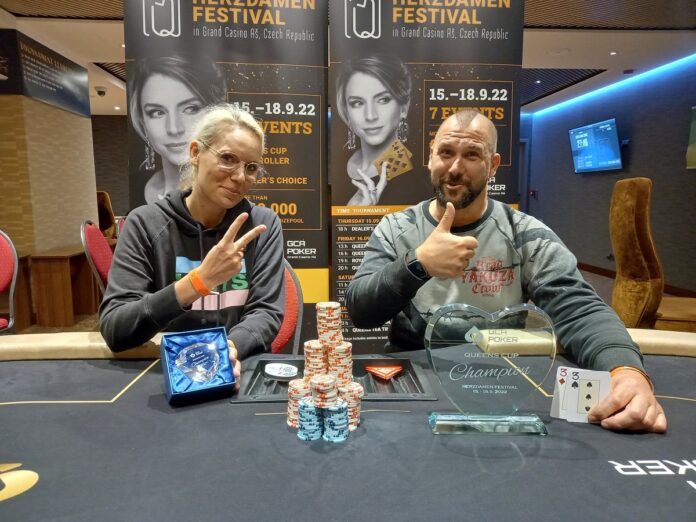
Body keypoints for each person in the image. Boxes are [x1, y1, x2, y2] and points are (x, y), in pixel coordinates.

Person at [346, 109, 667, 433]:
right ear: (431, 157)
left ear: (493, 165)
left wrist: (625, 370)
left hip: (499, 384)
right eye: (446, 152)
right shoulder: (396, 228)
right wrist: (418, 264)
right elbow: (360, 310)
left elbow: (578, 308)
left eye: (472, 155)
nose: (455, 167)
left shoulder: (525, 233)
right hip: (415, 380)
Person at [101, 104, 285, 384]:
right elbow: (116, 329)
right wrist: (199, 282)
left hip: (237, 369)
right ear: (196, 152)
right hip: (167, 375)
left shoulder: (262, 224)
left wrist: (223, 354)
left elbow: (266, 313)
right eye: (227, 158)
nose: (239, 177)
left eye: (250, 167)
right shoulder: (145, 223)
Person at [128, 54, 226, 204]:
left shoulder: (229, 192)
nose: (174, 129)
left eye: (191, 109)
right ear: (142, 121)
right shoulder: (136, 190)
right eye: (157, 112)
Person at [334, 54, 427, 205]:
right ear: (346, 112)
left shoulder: (416, 180)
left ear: (404, 107)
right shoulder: (336, 166)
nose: (370, 116)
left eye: (383, 100)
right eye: (357, 103)